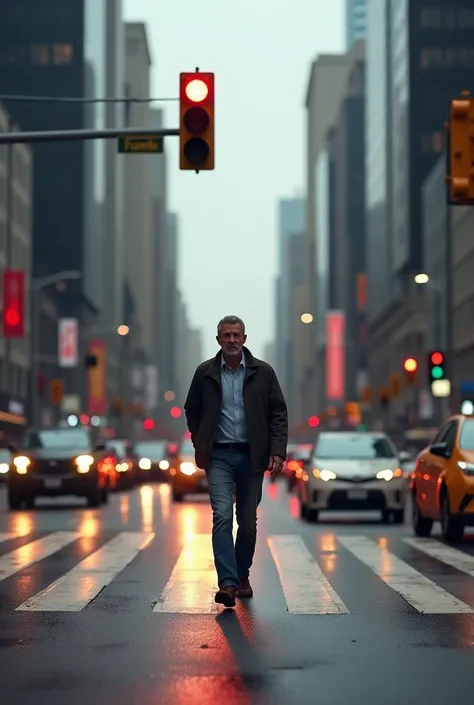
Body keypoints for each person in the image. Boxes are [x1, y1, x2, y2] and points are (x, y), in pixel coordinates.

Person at [184, 315, 288, 608]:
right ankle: (228, 584)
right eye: (226, 336)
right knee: (221, 516)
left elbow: (278, 412)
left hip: (252, 456)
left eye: (236, 335)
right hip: (218, 455)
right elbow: (191, 408)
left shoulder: (263, 372)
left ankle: (242, 574)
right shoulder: (205, 372)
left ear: (244, 339)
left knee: (248, 524)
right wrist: (199, 438)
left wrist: (277, 450)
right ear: (218, 340)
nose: (231, 340)